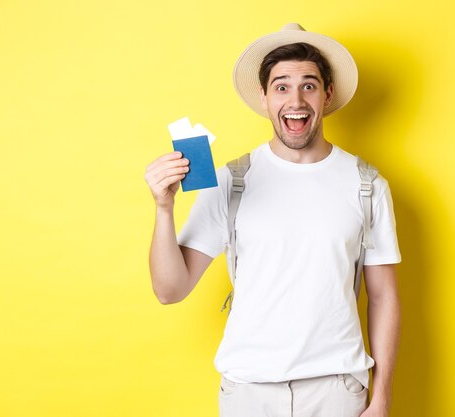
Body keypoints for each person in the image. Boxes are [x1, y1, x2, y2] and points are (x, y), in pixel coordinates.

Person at [145, 23, 402, 417]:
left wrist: (381, 396)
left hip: (336, 388)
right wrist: (164, 209)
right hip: (248, 390)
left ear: (327, 94)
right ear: (264, 98)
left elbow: (383, 296)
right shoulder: (232, 180)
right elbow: (170, 290)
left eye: (309, 85)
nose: (295, 99)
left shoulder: (366, 184)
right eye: (281, 86)